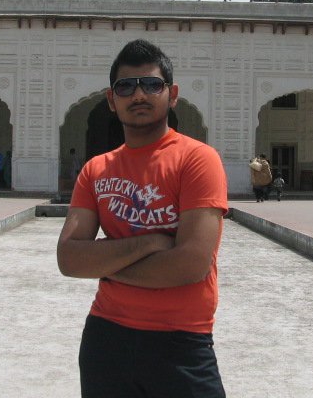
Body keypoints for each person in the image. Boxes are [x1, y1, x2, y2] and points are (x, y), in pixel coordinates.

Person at [57, 39, 228, 398]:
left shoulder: (197, 160)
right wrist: (150, 243)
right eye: (126, 86)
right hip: (106, 341)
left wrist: (104, 263)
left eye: (151, 85)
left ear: (173, 94)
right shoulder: (96, 170)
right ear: (111, 99)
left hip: (181, 341)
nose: (139, 95)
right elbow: (69, 259)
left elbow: (190, 265)